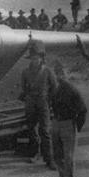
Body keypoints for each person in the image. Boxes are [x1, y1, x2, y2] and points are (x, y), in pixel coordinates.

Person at [51, 60, 87, 177]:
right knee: (57, 156)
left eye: (62, 73)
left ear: (66, 74)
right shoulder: (55, 89)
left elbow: (83, 110)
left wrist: (76, 127)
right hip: (56, 124)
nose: (59, 76)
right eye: (57, 73)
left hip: (68, 125)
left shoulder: (72, 90)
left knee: (68, 157)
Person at [20, 40, 57, 169]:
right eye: (33, 58)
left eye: (37, 58)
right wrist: (28, 97)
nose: (35, 60)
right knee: (31, 129)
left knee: (45, 131)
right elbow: (24, 88)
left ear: (41, 58)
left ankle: (49, 158)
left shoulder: (47, 71)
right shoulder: (25, 72)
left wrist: (48, 100)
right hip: (30, 103)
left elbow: (54, 88)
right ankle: (35, 153)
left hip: (43, 103)